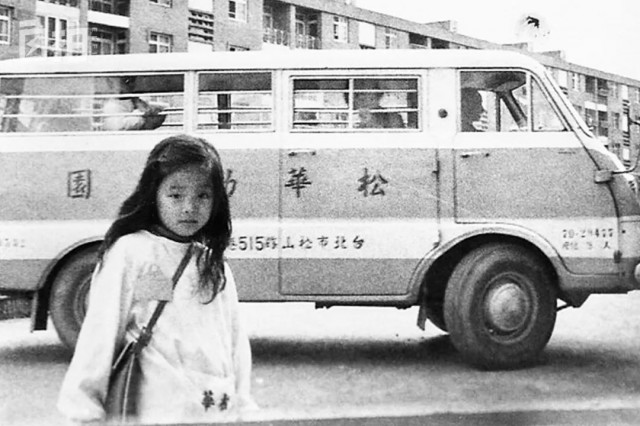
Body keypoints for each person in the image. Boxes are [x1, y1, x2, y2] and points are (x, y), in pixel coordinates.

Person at [57, 134, 257, 424]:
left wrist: (244, 406)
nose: (189, 207)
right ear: (154, 194)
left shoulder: (214, 264)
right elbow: (100, 334)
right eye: (176, 195)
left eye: (203, 195)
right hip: (158, 409)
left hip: (214, 409)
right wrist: (84, 409)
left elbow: (235, 343)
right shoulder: (131, 252)